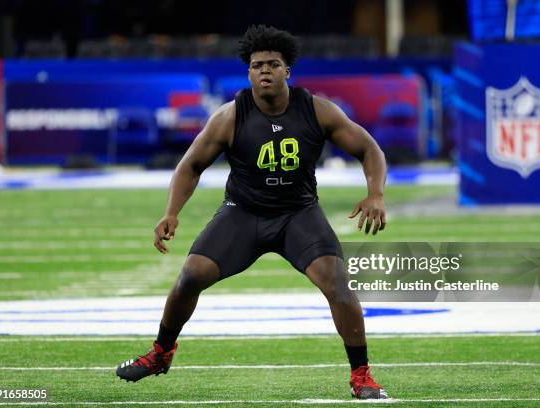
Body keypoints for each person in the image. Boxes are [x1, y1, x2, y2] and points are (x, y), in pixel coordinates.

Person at [116, 25, 388, 400]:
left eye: (273, 64)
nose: (265, 70)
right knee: (189, 277)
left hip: (298, 214)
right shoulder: (230, 116)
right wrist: (172, 212)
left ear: (287, 70)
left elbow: (369, 149)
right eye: (257, 64)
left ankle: (362, 377)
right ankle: (161, 354)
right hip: (243, 213)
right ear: (248, 72)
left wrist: (376, 193)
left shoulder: (317, 110)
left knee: (337, 284)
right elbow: (191, 165)